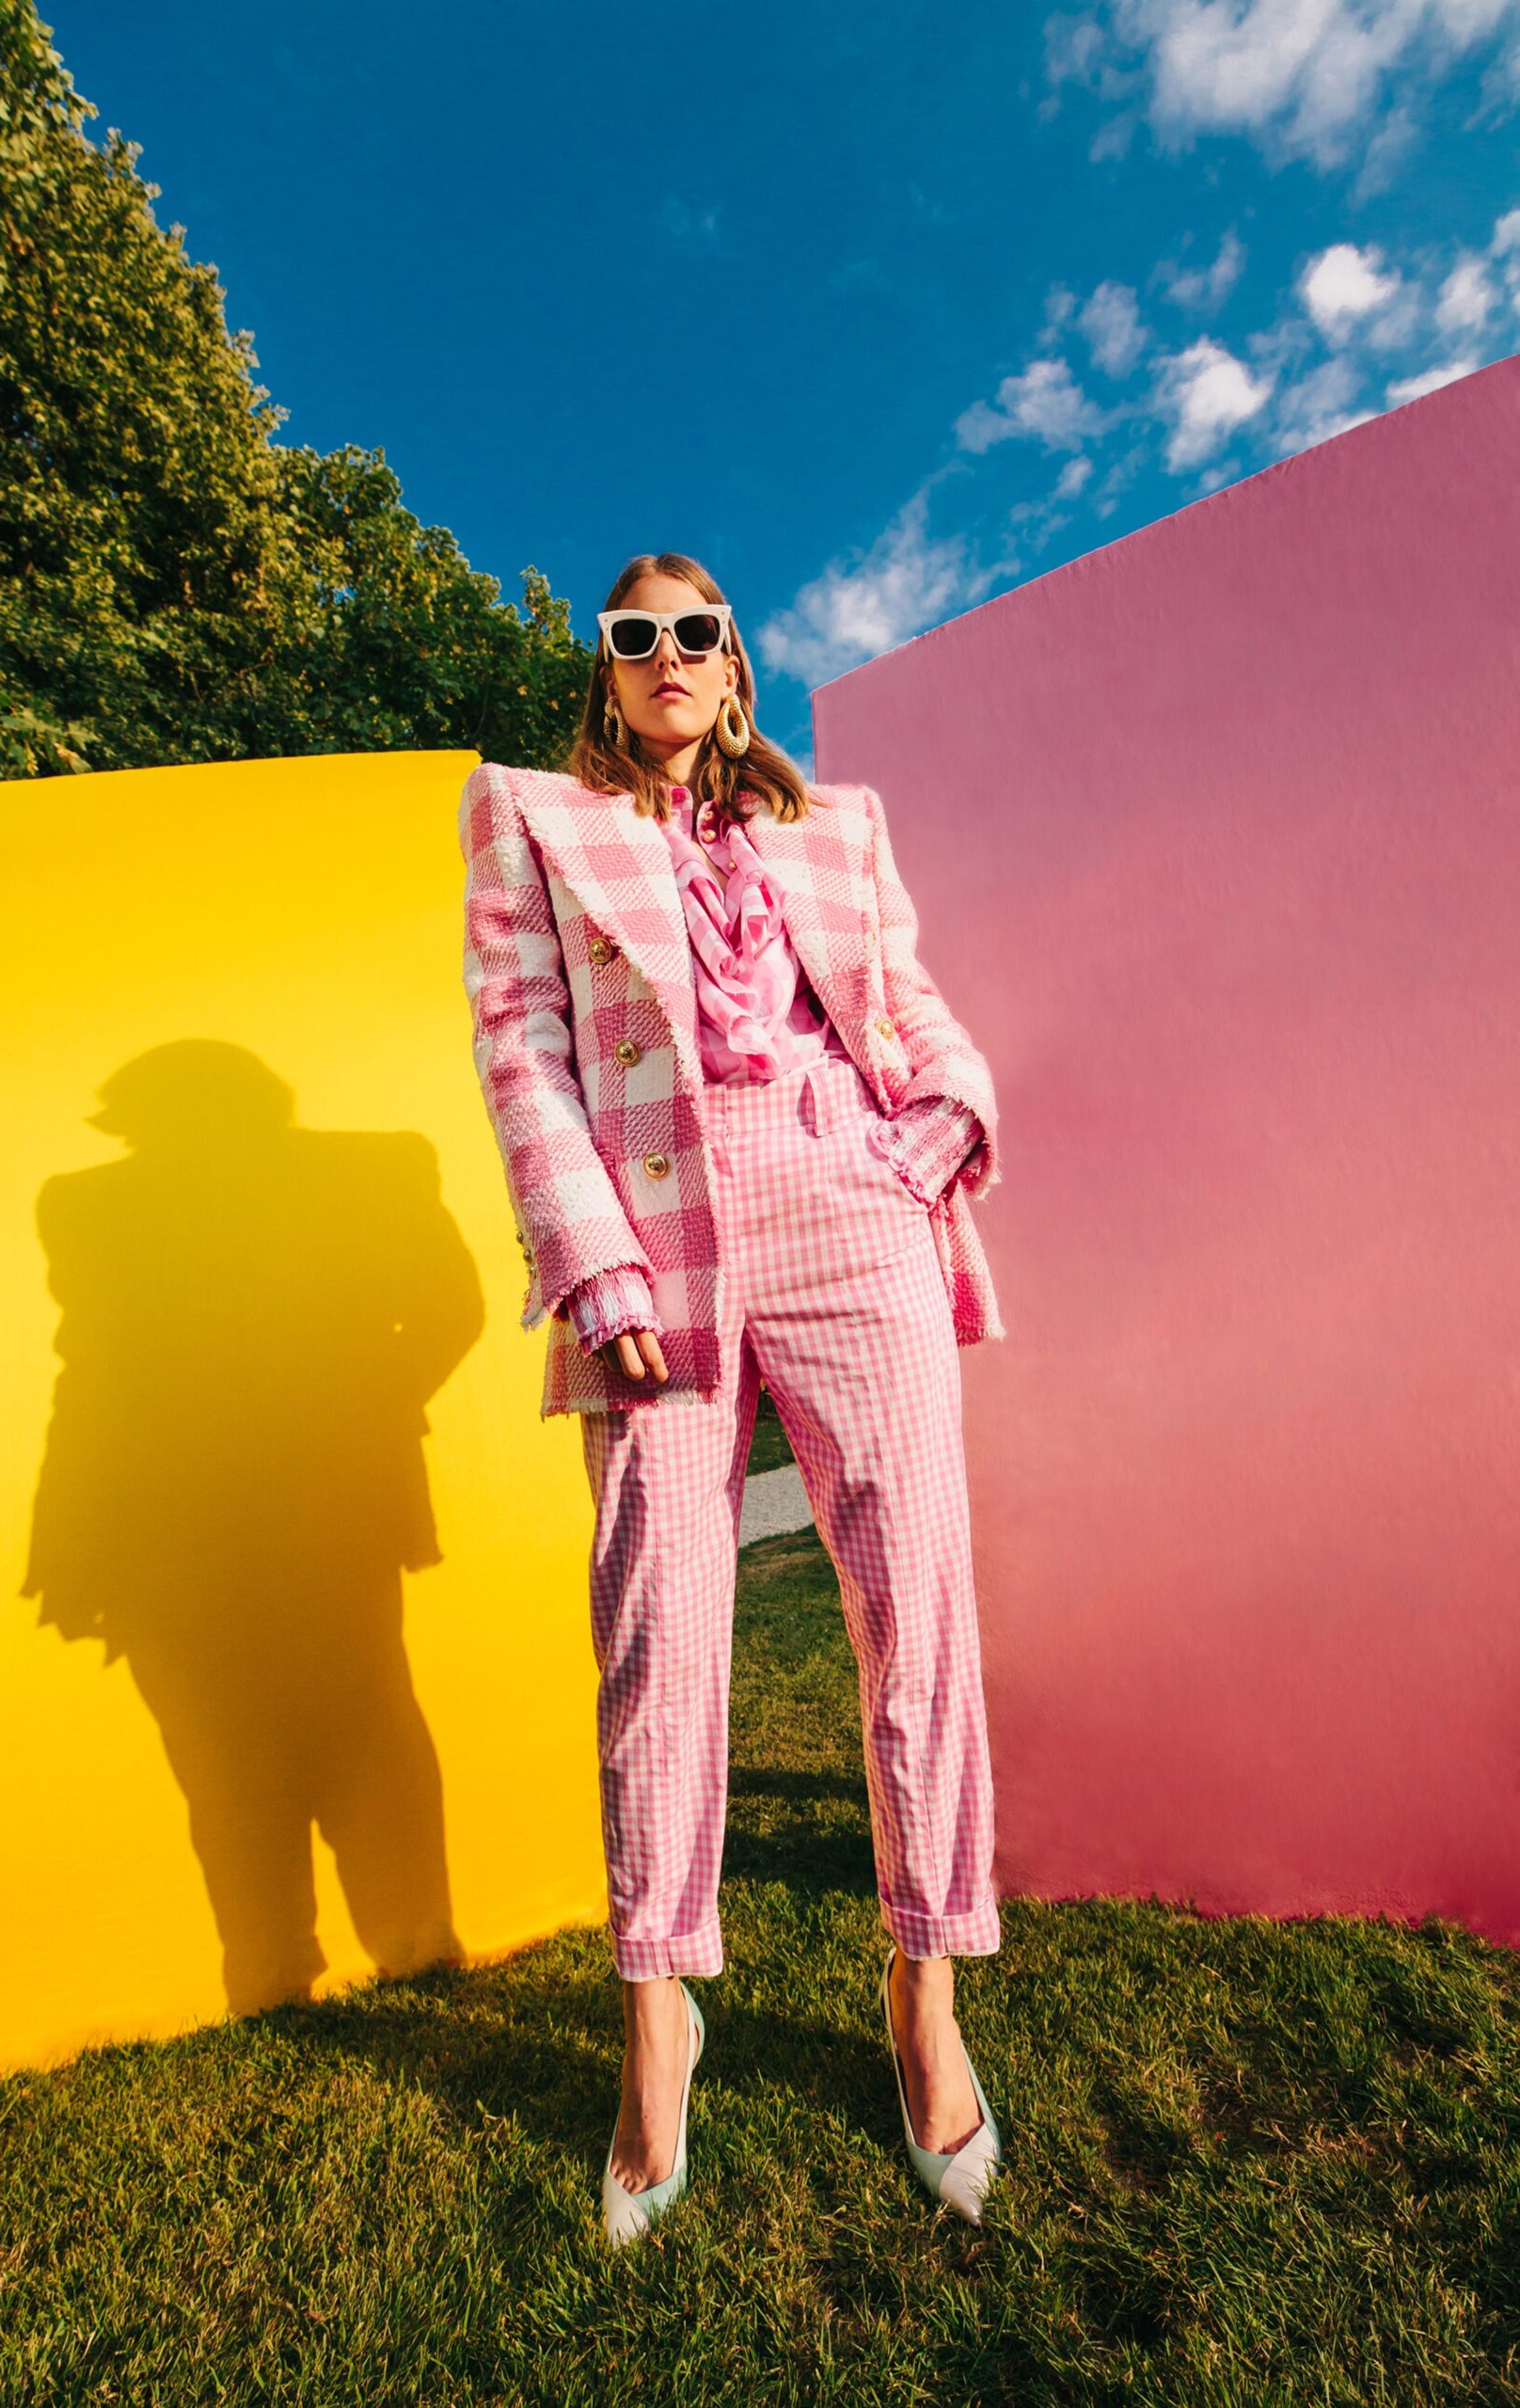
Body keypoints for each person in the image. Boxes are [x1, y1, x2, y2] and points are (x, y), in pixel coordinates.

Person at [458, 551, 1006, 2246]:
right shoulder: (531, 819)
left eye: (696, 629)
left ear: (736, 660)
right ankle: (657, 2012)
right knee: (659, 1627)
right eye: (636, 636)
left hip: (852, 1208)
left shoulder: (836, 824)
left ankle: (925, 1998)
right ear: (608, 672)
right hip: (658, 1231)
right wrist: (592, 1259)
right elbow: (520, 1046)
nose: (668, 654)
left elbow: (905, 1009)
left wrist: (939, 1128)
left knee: (914, 1603)